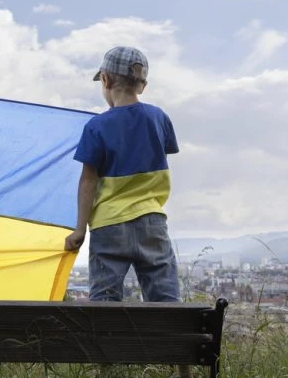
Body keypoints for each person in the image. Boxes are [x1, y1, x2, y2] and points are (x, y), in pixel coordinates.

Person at [64, 46, 192, 378]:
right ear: (142, 84)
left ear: (106, 80)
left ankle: (108, 371)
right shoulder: (159, 117)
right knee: (165, 297)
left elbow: (88, 180)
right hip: (152, 222)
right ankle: (184, 372)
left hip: (109, 226)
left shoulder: (96, 126)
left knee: (105, 300)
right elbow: (161, 152)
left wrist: (80, 229)